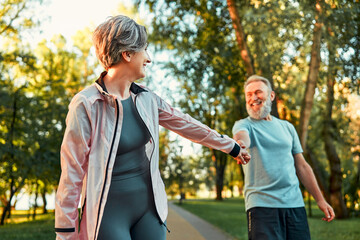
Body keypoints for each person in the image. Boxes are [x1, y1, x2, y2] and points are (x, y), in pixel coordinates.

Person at [54, 15, 250, 240]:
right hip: (108, 215)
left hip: (150, 211)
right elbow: (72, 173)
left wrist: (231, 147)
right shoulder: (87, 104)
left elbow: (186, 124)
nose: (149, 58)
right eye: (144, 50)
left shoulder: (146, 98)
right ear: (127, 54)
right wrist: (65, 233)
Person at [232, 75, 335, 240]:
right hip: (261, 205)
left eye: (258, 92)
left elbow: (302, 166)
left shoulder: (287, 127)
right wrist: (240, 147)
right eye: (249, 94)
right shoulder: (244, 124)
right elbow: (242, 137)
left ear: (271, 95)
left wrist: (321, 200)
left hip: (294, 205)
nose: (254, 98)